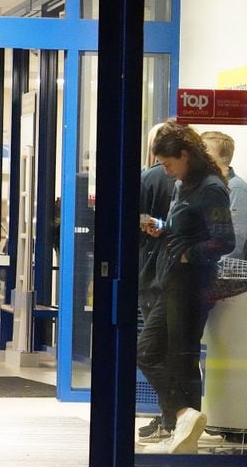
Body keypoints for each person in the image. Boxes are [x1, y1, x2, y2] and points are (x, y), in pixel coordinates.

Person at [138, 120, 234, 454]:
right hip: (173, 281)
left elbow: (224, 240)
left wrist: (187, 256)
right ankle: (183, 419)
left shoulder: (210, 187)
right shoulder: (185, 183)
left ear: (184, 154)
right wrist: (160, 227)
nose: (165, 171)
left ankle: (184, 424)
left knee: (176, 356)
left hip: (192, 283)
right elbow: (186, 226)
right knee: (157, 353)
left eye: (168, 163)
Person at [135, 123, 176, 444]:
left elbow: (133, 221)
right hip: (172, 274)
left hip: (153, 272)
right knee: (171, 351)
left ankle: (173, 416)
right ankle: (169, 416)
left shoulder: (149, 178)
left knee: (151, 351)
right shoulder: (189, 182)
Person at [201, 131, 247, 259]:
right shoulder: (208, 186)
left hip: (222, 273)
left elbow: (237, 238)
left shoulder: (236, 188)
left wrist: (219, 269)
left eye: (205, 152)